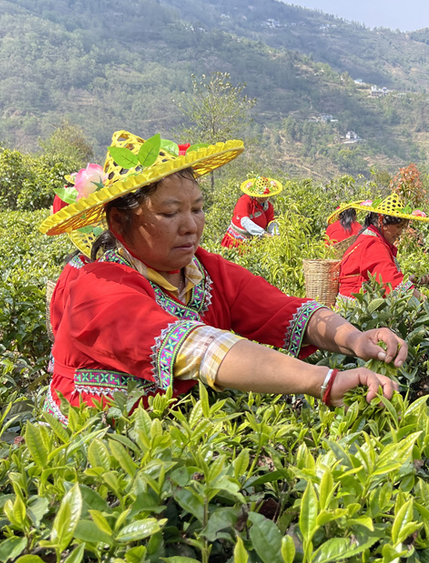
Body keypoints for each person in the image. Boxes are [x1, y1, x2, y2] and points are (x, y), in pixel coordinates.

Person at [39, 131, 402, 425]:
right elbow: (197, 349)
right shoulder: (96, 286)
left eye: (197, 209)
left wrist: (355, 338)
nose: (191, 226)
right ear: (119, 222)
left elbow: (284, 311)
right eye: (169, 213)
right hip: (101, 449)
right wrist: (323, 381)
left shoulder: (202, 270)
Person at [338, 193, 429, 299]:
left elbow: (383, 277)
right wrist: (425, 301)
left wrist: (412, 280)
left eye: (402, 228)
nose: (399, 232)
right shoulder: (372, 244)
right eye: (397, 227)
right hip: (356, 309)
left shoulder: (371, 239)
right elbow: (390, 282)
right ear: (381, 221)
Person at [220, 176, 281, 248]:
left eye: (265, 195)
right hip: (238, 240)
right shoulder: (244, 200)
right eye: (260, 195)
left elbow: (272, 222)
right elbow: (245, 221)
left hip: (256, 241)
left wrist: (276, 234)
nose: (262, 198)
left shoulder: (267, 206)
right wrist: (264, 234)